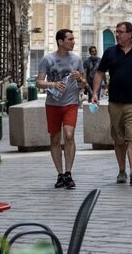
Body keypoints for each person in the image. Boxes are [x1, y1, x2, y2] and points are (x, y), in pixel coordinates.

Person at [91, 21, 132, 186]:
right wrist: (94, 93)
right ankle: (122, 170)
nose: (117, 35)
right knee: (119, 138)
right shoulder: (110, 52)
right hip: (115, 101)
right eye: (116, 32)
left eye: (120, 32)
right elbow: (100, 73)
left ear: (130, 34)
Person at [37, 29, 86, 190]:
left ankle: (69, 173)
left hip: (71, 103)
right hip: (53, 104)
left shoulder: (77, 59)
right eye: (70, 39)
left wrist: (80, 79)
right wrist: (52, 84)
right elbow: (39, 82)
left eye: (73, 39)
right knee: (55, 139)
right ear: (60, 41)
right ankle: (60, 174)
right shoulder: (47, 59)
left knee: (69, 135)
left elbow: (83, 83)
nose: (73, 42)